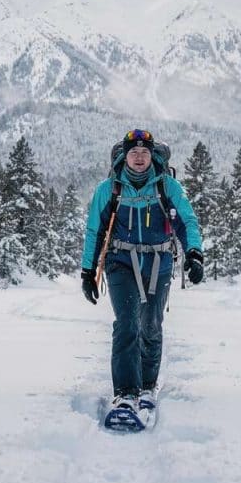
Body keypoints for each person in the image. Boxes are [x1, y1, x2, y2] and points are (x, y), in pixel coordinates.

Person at [80, 129, 204, 421]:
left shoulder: (167, 187)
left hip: (158, 261)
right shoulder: (109, 189)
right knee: (127, 323)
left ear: (152, 156)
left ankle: (147, 387)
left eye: (144, 153)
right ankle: (125, 393)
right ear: (124, 155)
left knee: (151, 324)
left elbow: (187, 220)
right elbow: (94, 231)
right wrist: (88, 271)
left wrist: (194, 254)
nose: (138, 158)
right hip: (120, 261)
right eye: (133, 153)